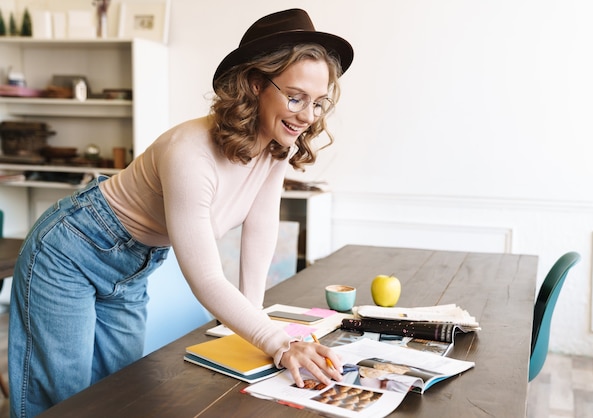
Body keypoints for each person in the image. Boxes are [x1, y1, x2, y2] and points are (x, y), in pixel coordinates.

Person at [8, 8, 353, 417]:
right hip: (71, 251)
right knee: (62, 400)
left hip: (133, 265)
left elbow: (260, 227)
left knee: (117, 395)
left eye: (318, 103)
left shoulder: (279, 144)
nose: (307, 116)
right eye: (295, 98)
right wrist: (279, 344)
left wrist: (253, 324)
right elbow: (205, 277)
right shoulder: (190, 152)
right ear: (257, 83)